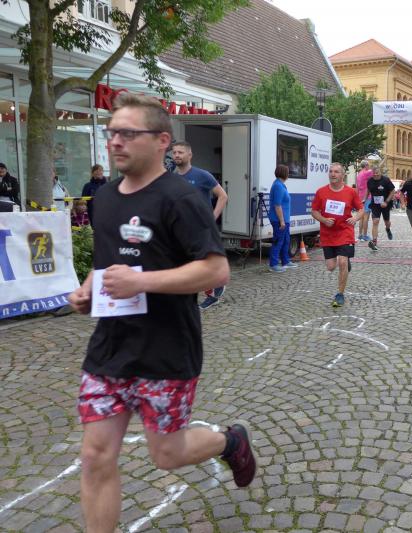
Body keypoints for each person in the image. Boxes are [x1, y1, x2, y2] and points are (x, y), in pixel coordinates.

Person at [67, 93, 256, 533]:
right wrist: (88, 289)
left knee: (166, 455)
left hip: (167, 349)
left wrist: (142, 283)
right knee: (95, 455)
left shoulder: (181, 198)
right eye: (112, 132)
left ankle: (230, 441)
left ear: (161, 141)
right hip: (110, 348)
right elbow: (107, 261)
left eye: (128, 133)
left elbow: (216, 270)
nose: (116, 141)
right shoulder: (106, 198)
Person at [172, 140, 230, 309]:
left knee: (202, 264)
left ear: (189, 155)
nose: (176, 155)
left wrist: (212, 217)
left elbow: (223, 196)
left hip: (202, 228)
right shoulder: (173, 178)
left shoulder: (202, 175)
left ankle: (213, 292)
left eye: (180, 152)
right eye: (174, 152)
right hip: (182, 229)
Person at [311, 163, 363, 307]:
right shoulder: (321, 192)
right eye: (331, 171)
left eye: (336, 172)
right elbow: (314, 211)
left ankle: (340, 294)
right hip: (328, 234)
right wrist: (323, 220)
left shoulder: (350, 192)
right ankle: (344, 261)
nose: (333, 174)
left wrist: (355, 218)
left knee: (342, 262)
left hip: (345, 232)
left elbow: (361, 209)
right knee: (330, 267)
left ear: (343, 175)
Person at [267, 164, 297, 272]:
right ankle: (273, 264)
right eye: (288, 172)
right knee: (278, 241)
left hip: (284, 219)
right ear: (285, 173)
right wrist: (282, 221)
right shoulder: (278, 186)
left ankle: (285, 261)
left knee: (286, 240)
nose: (288, 174)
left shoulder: (281, 185)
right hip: (278, 220)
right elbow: (277, 205)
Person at [367, 170, 396, 251]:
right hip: (375, 205)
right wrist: (364, 199)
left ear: (380, 173)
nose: (376, 175)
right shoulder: (370, 181)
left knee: (387, 222)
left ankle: (388, 229)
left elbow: (393, 191)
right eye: (374, 173)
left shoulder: (386, 180)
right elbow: (368, 190)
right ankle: (374, 241)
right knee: (375, 221)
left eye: (377, 173)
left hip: (385, 204)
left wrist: (386, 201)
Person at [355, 161, 373, 241]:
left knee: (361, 217)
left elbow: (357, 187)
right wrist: (384, 159)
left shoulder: (359, 174)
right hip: (367, 197)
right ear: (366, 165)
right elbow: (376, 168)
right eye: (368, 165)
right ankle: (365, 235)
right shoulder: (366, 173)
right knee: (366, 217)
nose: (369, 167)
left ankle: (360, 235)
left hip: (360, 197)